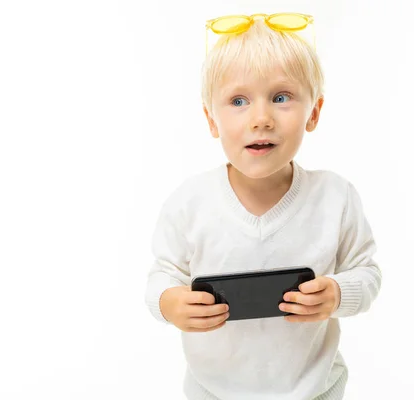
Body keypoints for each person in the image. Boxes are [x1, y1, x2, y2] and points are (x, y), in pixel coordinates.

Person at [144, 13, 382, 400]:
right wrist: (169, 303)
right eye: (238, 101)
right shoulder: (189, 203)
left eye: (281, 97)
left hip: (313, 387)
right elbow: (162, 275)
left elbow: (367, 274)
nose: (261, 119)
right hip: (213, 391)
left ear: (314, 112)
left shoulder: (336, 197)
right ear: (211, 119)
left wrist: (339, 292)